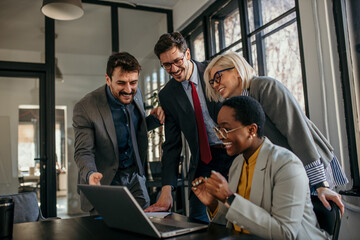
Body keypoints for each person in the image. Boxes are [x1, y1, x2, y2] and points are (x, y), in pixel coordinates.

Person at [203, 51, 348, 214]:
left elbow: (297, 132)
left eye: (218, 77)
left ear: (236, 70)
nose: (215, 85)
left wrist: (321, 184)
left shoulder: (264, 87)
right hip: (288, 170)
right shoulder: (239, 104)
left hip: (310, 163)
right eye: (211, 82)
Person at [192, 96, 328, 239]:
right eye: (218, 129)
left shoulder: (287, 165)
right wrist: (214, 204)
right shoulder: (237, 164)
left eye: (226, 129)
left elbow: (285, 234)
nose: (220, 136)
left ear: (251, 130)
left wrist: (228, 197)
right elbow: (233, 223)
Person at [144, 32, 234, 222]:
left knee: (236, 216)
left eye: (177, 61)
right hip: (204, 161)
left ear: (187, 54)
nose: (174, 69)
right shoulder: (168, 96)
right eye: (166, 65)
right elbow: (172, 145)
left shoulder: (213, 72)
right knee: (197, 219)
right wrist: (166, 190)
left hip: (235, 152)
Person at [73, 52, 165, 213]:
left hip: (135, 177)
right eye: (121, 83)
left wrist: (154, 119)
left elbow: (134, 129)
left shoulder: (135, 95)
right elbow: (83, 151)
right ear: (108, 79)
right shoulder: (86, 107)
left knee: (145, 227)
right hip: (104, 180)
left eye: (133, 82)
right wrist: (91, 174)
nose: (128, 89)